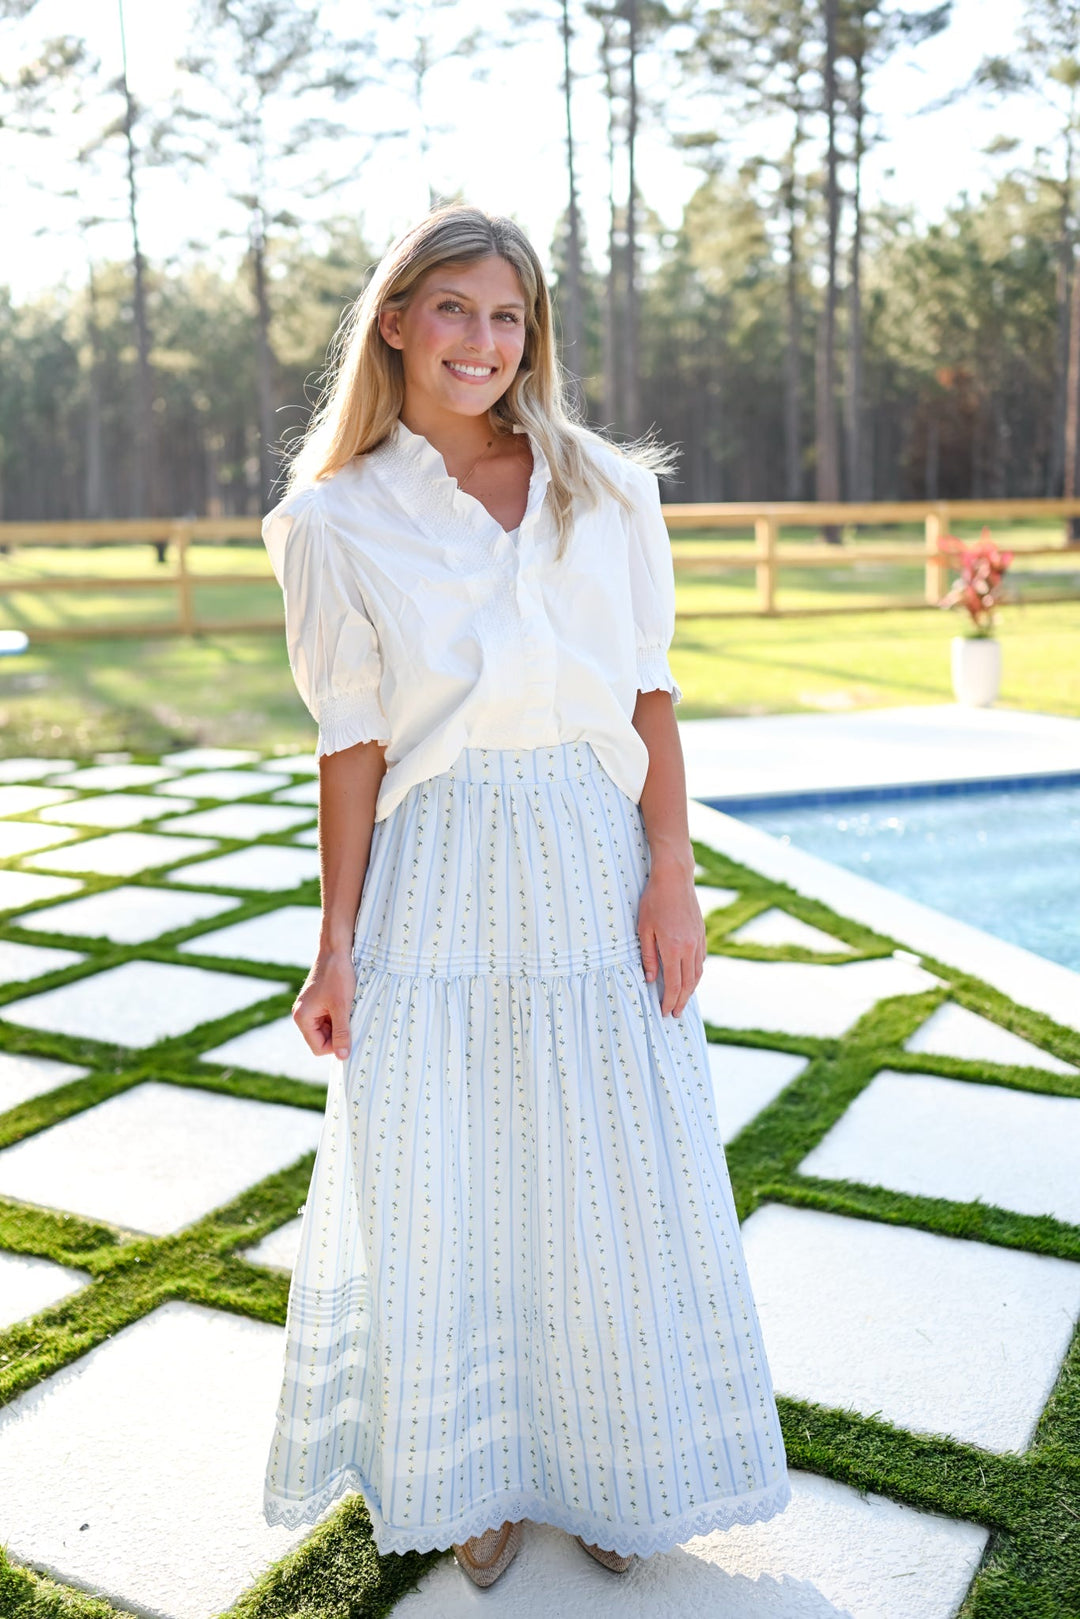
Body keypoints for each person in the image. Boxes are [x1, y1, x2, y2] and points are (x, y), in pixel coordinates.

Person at [260, 203, 792, 1589]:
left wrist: (674, 878)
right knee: (448, 1175)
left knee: (611, 1166)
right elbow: (351, 746)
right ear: (394, 321)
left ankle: (613, 1465)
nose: (482, 341)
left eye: (509, 316)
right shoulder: (331, 518)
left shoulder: (606, 488)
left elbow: (650, 695)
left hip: (590, 855)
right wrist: (334, 947)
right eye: (454, 309)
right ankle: (474, 1475)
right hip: (437, 868)